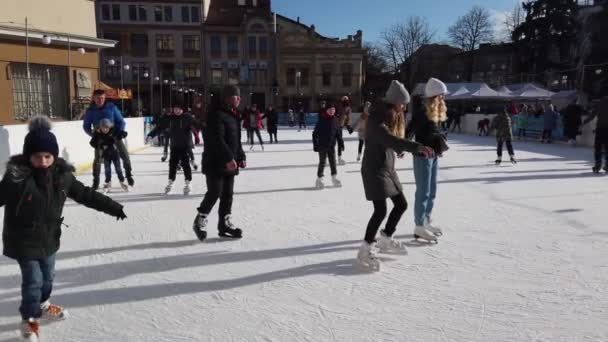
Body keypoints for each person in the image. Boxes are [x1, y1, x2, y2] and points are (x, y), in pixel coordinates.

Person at [0, 117, 126, 342]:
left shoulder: (63, 177)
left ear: (54, 156)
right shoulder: (16, 178)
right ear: (29, 157)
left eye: (48, 156)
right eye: (37, 157)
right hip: (22, 240)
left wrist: (114, 207)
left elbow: (86, 195)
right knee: (33, 280)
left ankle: (43, 304)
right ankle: (29, 319)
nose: (43, 161)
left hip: (49, 239)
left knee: (48, 278)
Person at [358, 81, 435, 270]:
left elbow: (390, 141)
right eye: (403, 103)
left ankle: (386, 238)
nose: (404, 107)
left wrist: (397, 149)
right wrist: (416, 147)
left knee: (401, 204)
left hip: (387, 168)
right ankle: (365, 249)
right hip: (374, 170)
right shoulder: (377, 119)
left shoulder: (389, 116)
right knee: (380, 211)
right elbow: (389, 138)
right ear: (395, 102)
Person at [193, 85, 247, 241]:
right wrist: (229, 158)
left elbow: (235, 140)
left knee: (228, 194)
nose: (239, 99)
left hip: (230, 161)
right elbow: (217, 140)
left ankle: (224, 225)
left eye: (239, 96)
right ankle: (200, 220)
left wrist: (240, 155)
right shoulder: (215, 115)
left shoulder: (233, 115)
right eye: (235, 96)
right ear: (226, 98)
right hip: (215, 161)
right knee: (215, 192)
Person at [406, 78, 451, 242]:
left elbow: (434, 133)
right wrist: (403, 147)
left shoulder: (437, 111)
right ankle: (419, 226)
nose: (444, 98)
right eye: (442, 95)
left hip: (434, 156)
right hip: (422, 155)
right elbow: (409, 130)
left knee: (432, 191)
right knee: (423, 191)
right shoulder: (422, 111)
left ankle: (426, 220)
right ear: (435, 96)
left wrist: (439, 147)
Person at [83, 90, 133, 189]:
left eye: (102, 98)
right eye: (98, 98)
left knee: (125, 156)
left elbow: (121, 122)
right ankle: (96, 181)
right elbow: (86, 126)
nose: (100, 100)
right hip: (100, 139)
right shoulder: (90, 111)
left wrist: (119, 133)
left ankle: (129, 175)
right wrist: (94, 135)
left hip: (114, 137)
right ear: (94, 98)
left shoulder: (111, 108)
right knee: (97, 160)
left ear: (105, 98)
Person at [148, 106, 195, 195]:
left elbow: (197, 125)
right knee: (172, 165)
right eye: (175, 109)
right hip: (174, 146)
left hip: (185, 146)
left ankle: (188, 184)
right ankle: (170, 183)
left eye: (179, 108)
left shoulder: (187, 118)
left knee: (186, 165)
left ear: (182, 109)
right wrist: (151, 135)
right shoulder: (170, 118)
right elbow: (160, 127)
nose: (177, 110)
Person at [89, 119, 129, 193]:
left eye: (107, 128)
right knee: (107, 170)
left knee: (118, 169)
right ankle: (108, 183)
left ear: (109, 127)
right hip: (106, 155)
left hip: (115, 154)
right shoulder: (98, 134)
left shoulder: (113, 131)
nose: (105, 129)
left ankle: (122, 181)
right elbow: (92, 143)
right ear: (100, 128)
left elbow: (121, 133)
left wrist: (123, 134)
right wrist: (100, 146)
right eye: (103, 128)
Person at [313, 101, 342, 189]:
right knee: (323, 162)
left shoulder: (335, 120)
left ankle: (334, 177)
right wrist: (315, 144)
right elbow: (314, 134)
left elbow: (338, 133)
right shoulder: (321, 120)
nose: (332, 111)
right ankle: (319, 179)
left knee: (333, 162)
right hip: (322, 145)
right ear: (326, 111)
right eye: (330, 110)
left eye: (333, 110)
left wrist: (341, 142)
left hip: (331, 146)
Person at [583, 96, 608, 173]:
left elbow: (592, 116)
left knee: (598, 148)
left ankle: (597, 165)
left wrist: (584, 122)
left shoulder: (599, 104)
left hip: (600, 129)